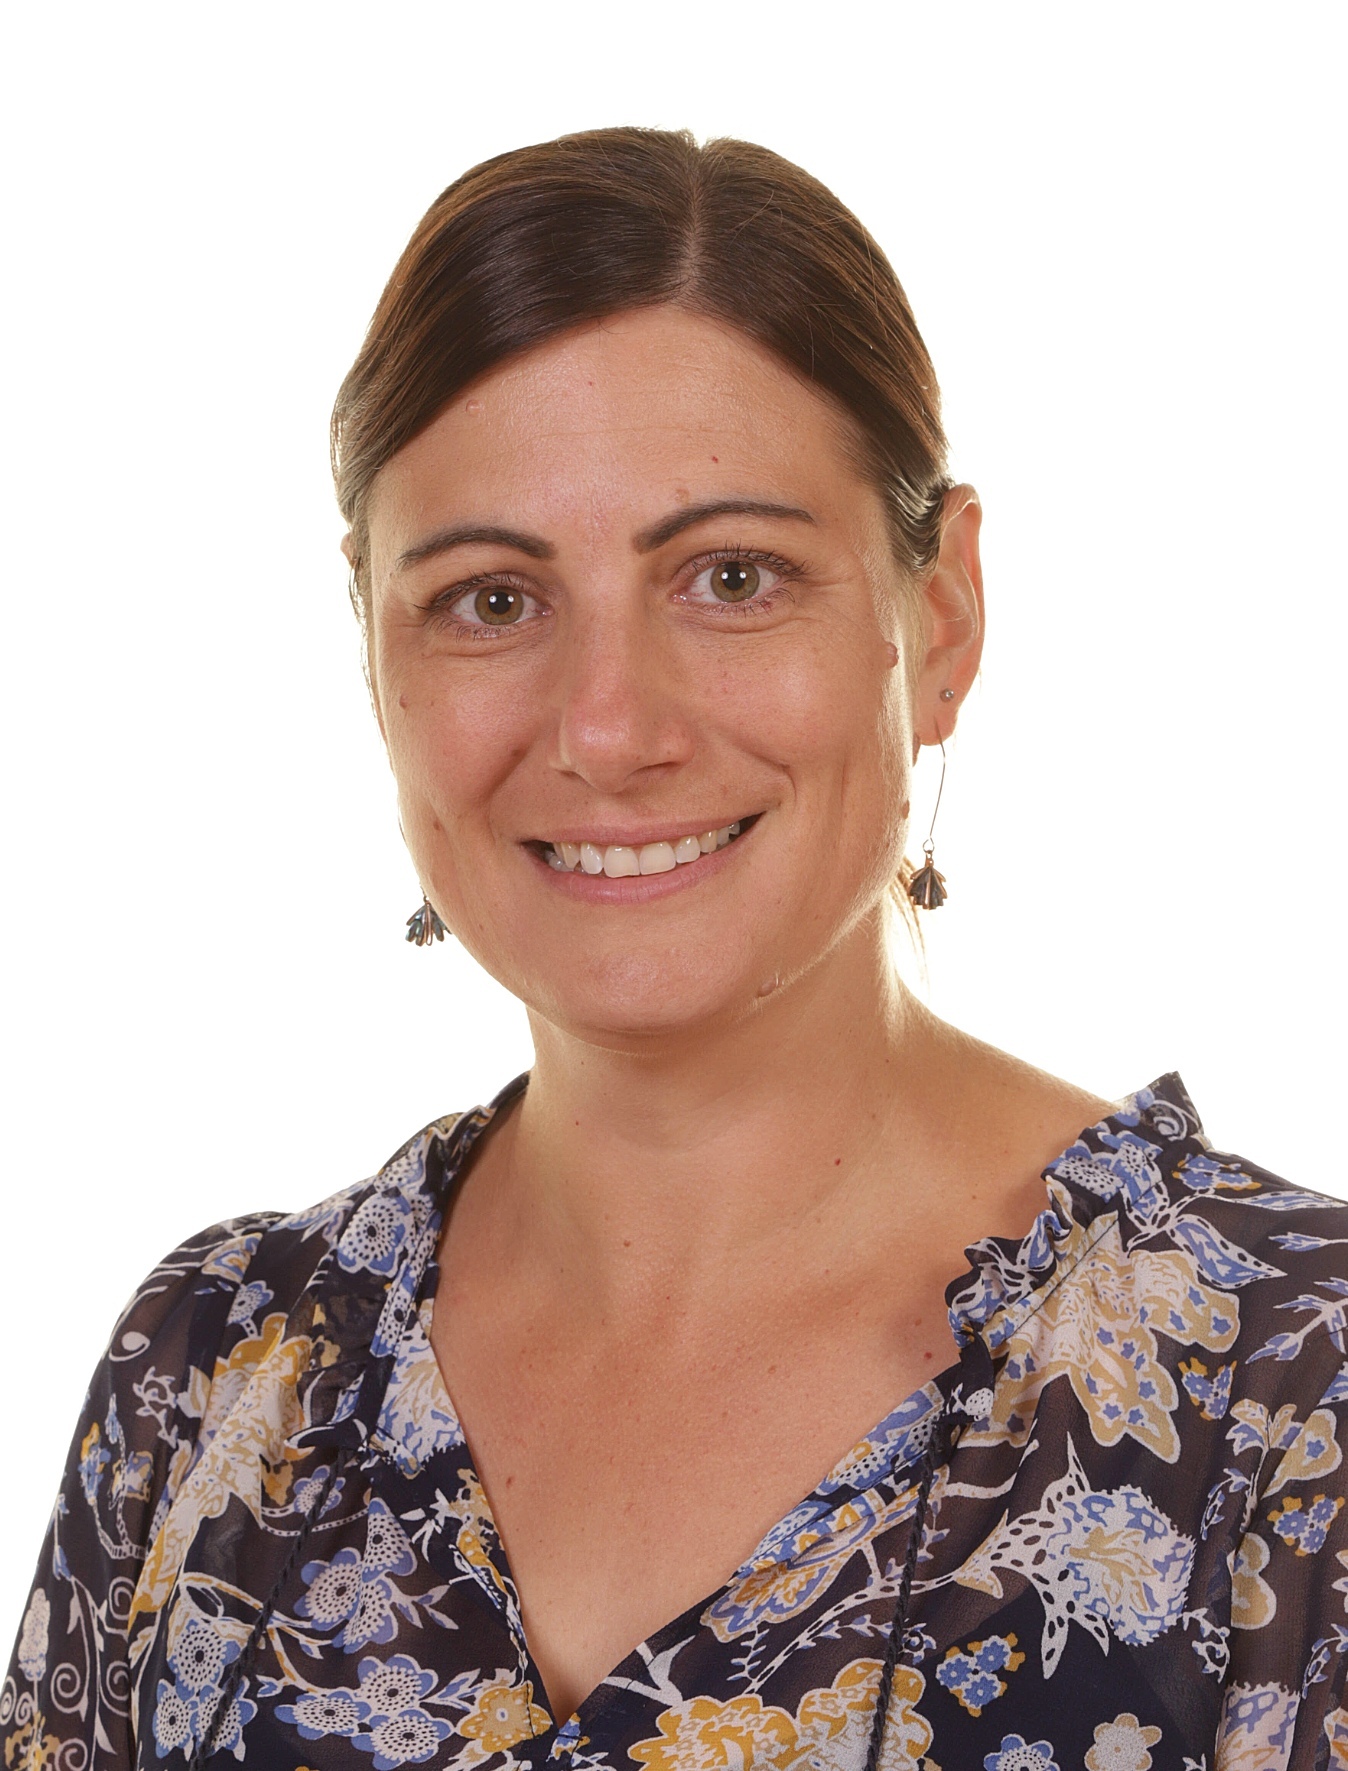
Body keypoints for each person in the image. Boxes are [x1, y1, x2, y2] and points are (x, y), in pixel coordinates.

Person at [4, 126, 1346, 1771]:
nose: (609, 727)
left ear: (941, 617)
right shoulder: (215, 1378)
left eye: (732, 576)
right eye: (493, 600)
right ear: (371, 650)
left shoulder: (1290, 1394)